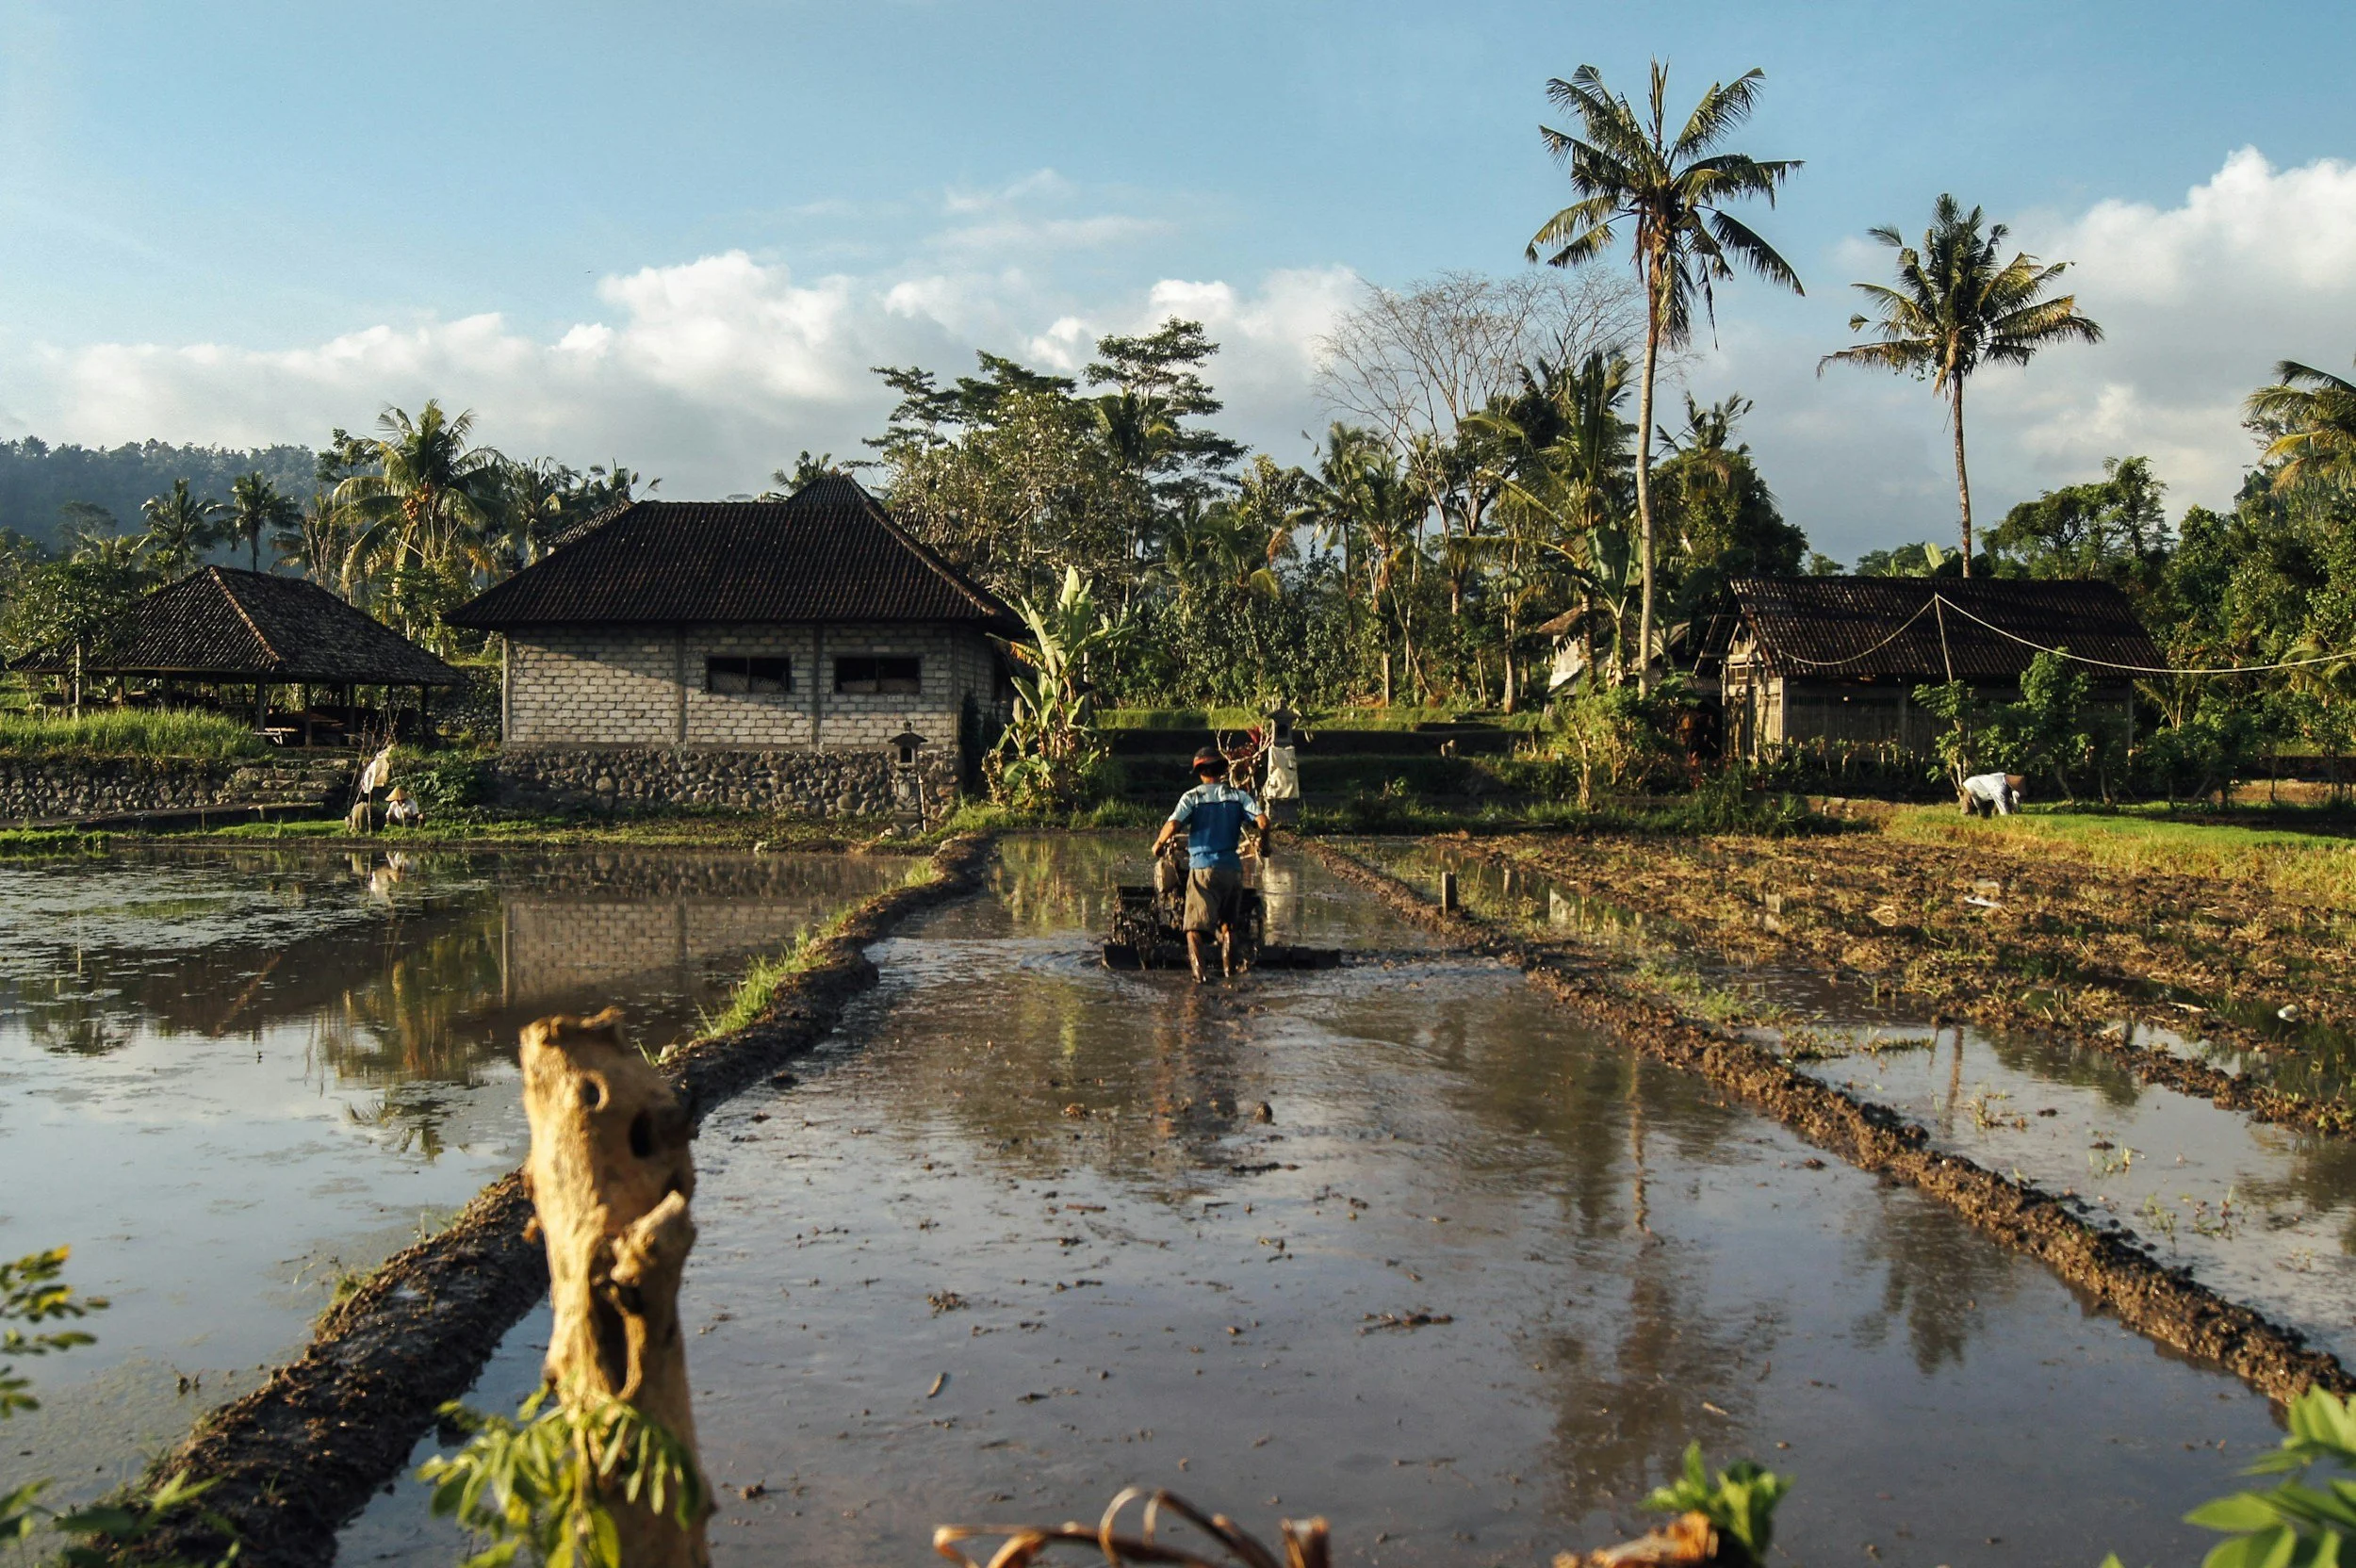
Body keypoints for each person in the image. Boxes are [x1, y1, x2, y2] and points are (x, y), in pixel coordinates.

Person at [1152, 746, 1269, 983]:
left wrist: (1158, 844)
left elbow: (1174, 825)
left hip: (1203, 869)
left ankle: (1200, 978)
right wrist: (1265, 845)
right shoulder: (1238, 797)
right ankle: (1230, 974)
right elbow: (1263, 821)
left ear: (1199, 772)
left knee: (1193, 929)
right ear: (1224, 770)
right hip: (1232, 871)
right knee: (1228, 927)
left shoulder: (1193, 797)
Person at [1959, 771, 2025, 817]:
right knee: (1971, 807)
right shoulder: (1999, 788)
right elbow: (2003, 807)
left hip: (1981, 786)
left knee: (1985, 809)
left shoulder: (2002, 777)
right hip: (1974, 785)